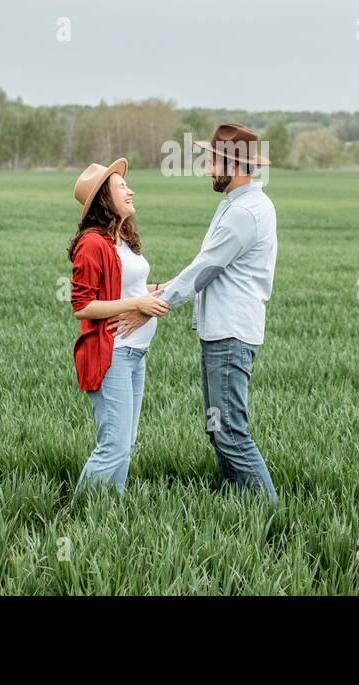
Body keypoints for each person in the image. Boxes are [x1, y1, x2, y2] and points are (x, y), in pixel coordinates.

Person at [114, 123, 279, 504]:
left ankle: (270, 514)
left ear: (233, 164)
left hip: (230, 333)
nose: (207, 168)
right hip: (222, 331)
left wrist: (153, 307)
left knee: (230, 432)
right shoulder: (238, 204)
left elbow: (207, 268)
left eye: (212, 161)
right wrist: (162, 287)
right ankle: (239, 506)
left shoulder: (246, 212)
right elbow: (209, 266)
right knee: (218, 430)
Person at [67, 159, 168, 494]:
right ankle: (78, 514)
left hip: (136, 353)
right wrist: (137, 304)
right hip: (112, 354)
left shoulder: (121, 238)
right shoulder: (92, 243)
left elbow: (125, 288)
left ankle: (109, 512)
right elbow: (82, 306)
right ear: (104, 200)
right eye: (121, 187)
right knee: (114, 445)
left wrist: (155, 292)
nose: (130, 190)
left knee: (126, 444)